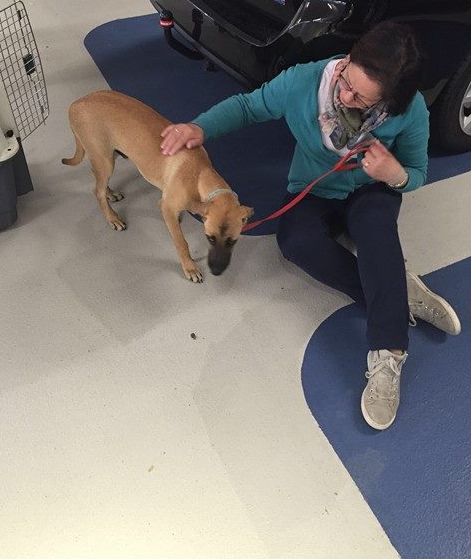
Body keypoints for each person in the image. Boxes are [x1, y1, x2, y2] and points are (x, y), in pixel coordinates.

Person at [160, 22, 461, 431]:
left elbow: (417, 172)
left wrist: (396, 175)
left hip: (371, 190)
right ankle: (397, 292)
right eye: (347, 81)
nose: (346, 96)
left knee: (377, 231)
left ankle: (388, 352)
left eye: (362, 98)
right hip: (313, 187)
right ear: (347, 60)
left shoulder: (410, 111)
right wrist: (200, 127)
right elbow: (249, 107)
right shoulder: (305, 82)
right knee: (295, 241)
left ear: (389, 100)